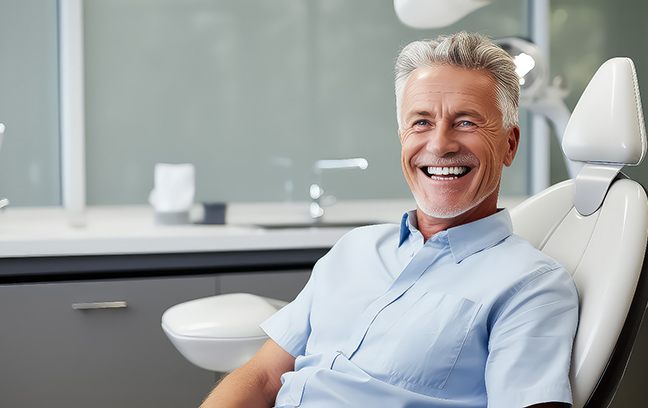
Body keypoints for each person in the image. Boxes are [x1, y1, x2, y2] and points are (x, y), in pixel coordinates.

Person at [201, 32, 579, 408]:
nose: (439, 144)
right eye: (421, 123)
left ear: (509, 144)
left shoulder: (530, 287)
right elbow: (264, 376)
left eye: (466, 122)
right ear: (402, 138)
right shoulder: (354, 249)